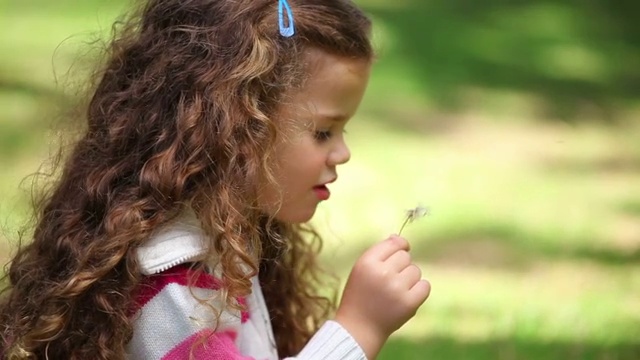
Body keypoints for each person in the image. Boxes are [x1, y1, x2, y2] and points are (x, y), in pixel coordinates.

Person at [0, 0, 431, 359]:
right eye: (323, 132)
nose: (343, 153)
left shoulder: (226, 241)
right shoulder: (169, 285)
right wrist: (358, 328)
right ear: (240, 127)